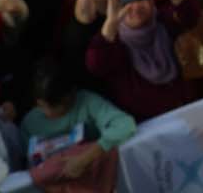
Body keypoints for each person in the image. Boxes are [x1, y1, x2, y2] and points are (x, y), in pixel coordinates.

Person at [19, 59, 134, 188]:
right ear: (39, 103)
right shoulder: (30, 124)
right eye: (53, 106)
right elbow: (26, 169)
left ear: (73, 92)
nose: (62, 109)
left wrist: (86, 157)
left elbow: (125, 125)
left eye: (66, 103)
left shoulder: (87, 102)